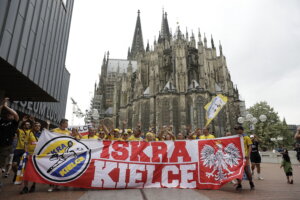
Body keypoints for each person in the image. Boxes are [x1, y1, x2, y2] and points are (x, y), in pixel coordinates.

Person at [0, 98, 19, 188]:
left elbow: (15, 114)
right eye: (9, 114)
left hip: (6, 146)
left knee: (1, 165)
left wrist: (6, 107)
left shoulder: (14, 123)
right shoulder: (2, 121)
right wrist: (2, 105)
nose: (10, 115)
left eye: (11, 114)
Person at [20, 122, 42, 194]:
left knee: (35, 171)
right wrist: (26, 152)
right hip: (29, 155)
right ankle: (25, 187)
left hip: (37, 156)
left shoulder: (42, 134)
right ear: (33, 126)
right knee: (26, 171)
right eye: (36, 126)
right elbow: (26, 143)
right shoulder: (29, 133)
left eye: (39, 126)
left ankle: (33, 186)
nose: (38, 127)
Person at [48, 118, 69, 192]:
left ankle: (57, 185)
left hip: (64, 154)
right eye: (66, 123)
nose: (67, 125)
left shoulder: (67, 132)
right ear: (62, 124)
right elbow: (46, 134)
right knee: (53, 169)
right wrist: (47, 126)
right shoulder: (55, 130)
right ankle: (51, 185)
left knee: (60, 169)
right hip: (55, 153)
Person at [234, 125, 255, 191]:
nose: (237, 131)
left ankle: (251, 183)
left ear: (242, 130)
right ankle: (239, 185)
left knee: (247, 171)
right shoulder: (235, 137)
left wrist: (248, 155)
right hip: (238, 157)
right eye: (236, 130)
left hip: (245, 157)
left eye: (238, 129)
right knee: (238, 171)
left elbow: (250, 146)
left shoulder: (246, 137)